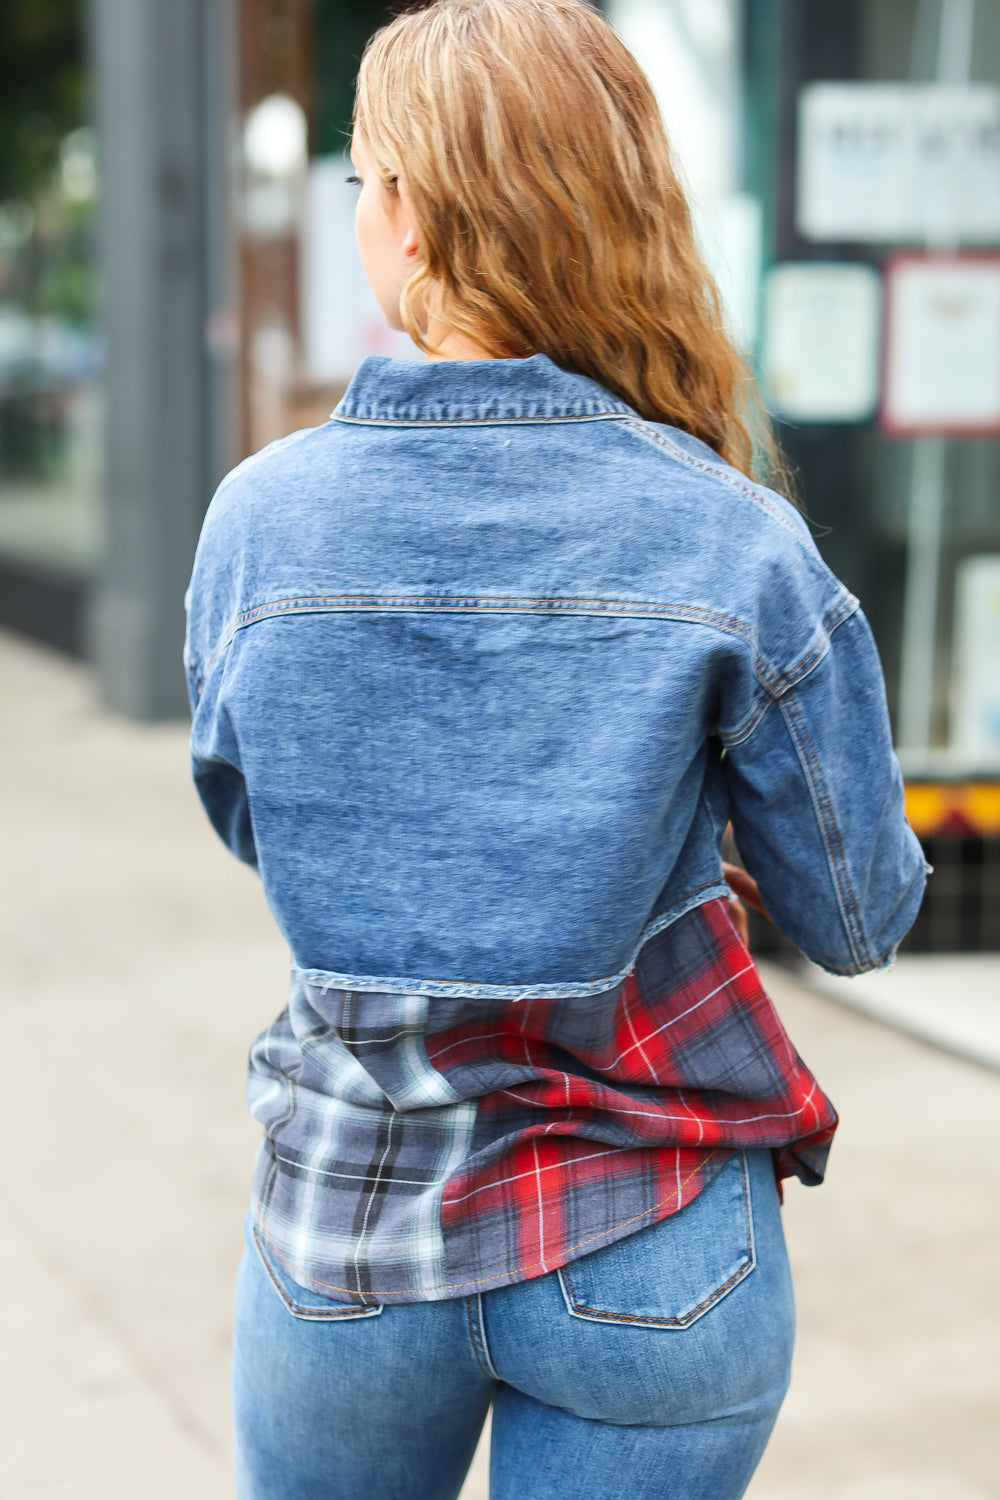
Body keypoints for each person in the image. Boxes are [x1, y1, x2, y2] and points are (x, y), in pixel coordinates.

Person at [184, 3, 927, 1496]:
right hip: (652, 1239)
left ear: (404, 217)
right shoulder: (737, 536)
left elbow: (256, 822)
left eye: (359, 189)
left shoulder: (257, 522)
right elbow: (860, 917)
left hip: (350, 1228)